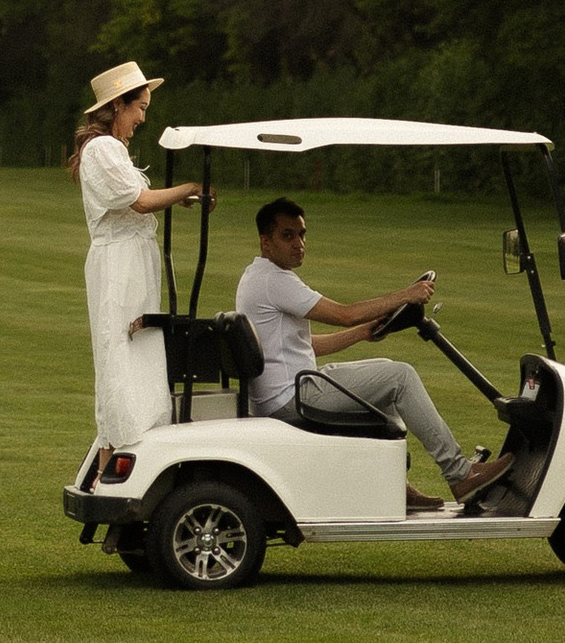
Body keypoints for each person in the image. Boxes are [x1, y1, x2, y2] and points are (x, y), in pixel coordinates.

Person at [232, 197, 501, 509]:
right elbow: (346, 313)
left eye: (302, 235)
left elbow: (308, 345)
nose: (299, 244)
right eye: (288, 236)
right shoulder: (274, 281)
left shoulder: (259, 276)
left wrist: (361, 333)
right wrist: (407, 294)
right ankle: (460, 474)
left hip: (292, 388)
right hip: (293, 398)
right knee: (400, 376)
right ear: (266, 242)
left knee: (385, 371)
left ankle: (395, 484)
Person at [71, 59, 203, 454]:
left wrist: (182, 198)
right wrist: (189, 186)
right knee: (120, 355)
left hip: (130, 264)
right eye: (140, 108)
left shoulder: (111, 150)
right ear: (117, 106)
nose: (143, 117)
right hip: (119, 267)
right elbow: (142, 202)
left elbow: (135, 202)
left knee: (136, 352)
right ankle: (117, 450)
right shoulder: (104, 148)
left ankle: (132, 446)